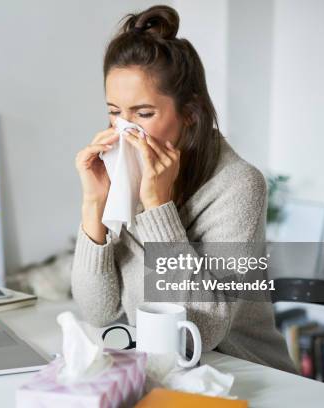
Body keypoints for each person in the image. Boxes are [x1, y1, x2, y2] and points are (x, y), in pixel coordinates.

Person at [72, 5, 297, 373]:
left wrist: (157, 208)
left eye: (143, 114)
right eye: (114, 111)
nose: (125, 130)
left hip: (240, 373)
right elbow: (100, 312)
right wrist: (93, 203)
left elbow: (202, 329)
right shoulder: (120, 173)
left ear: (189, 113)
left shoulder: (239, 185)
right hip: (158, 371)